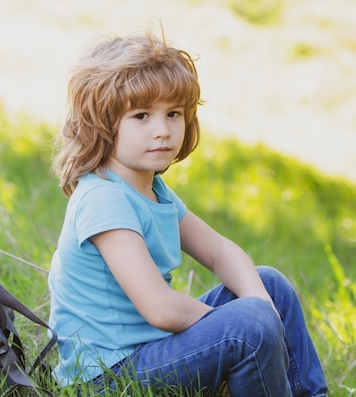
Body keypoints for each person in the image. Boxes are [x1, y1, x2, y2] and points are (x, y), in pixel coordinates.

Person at [47, 31, 328, 396]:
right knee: (250, 323)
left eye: (174, 114)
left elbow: (220, 251)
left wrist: (263, 310)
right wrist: (245, 324)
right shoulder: (103, 198)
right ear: (102, 123)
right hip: (108, 377)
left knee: (269, 285)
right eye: (141, 116)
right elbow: (161, 309)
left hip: (148, 351)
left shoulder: (150, 189)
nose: (162, 130)